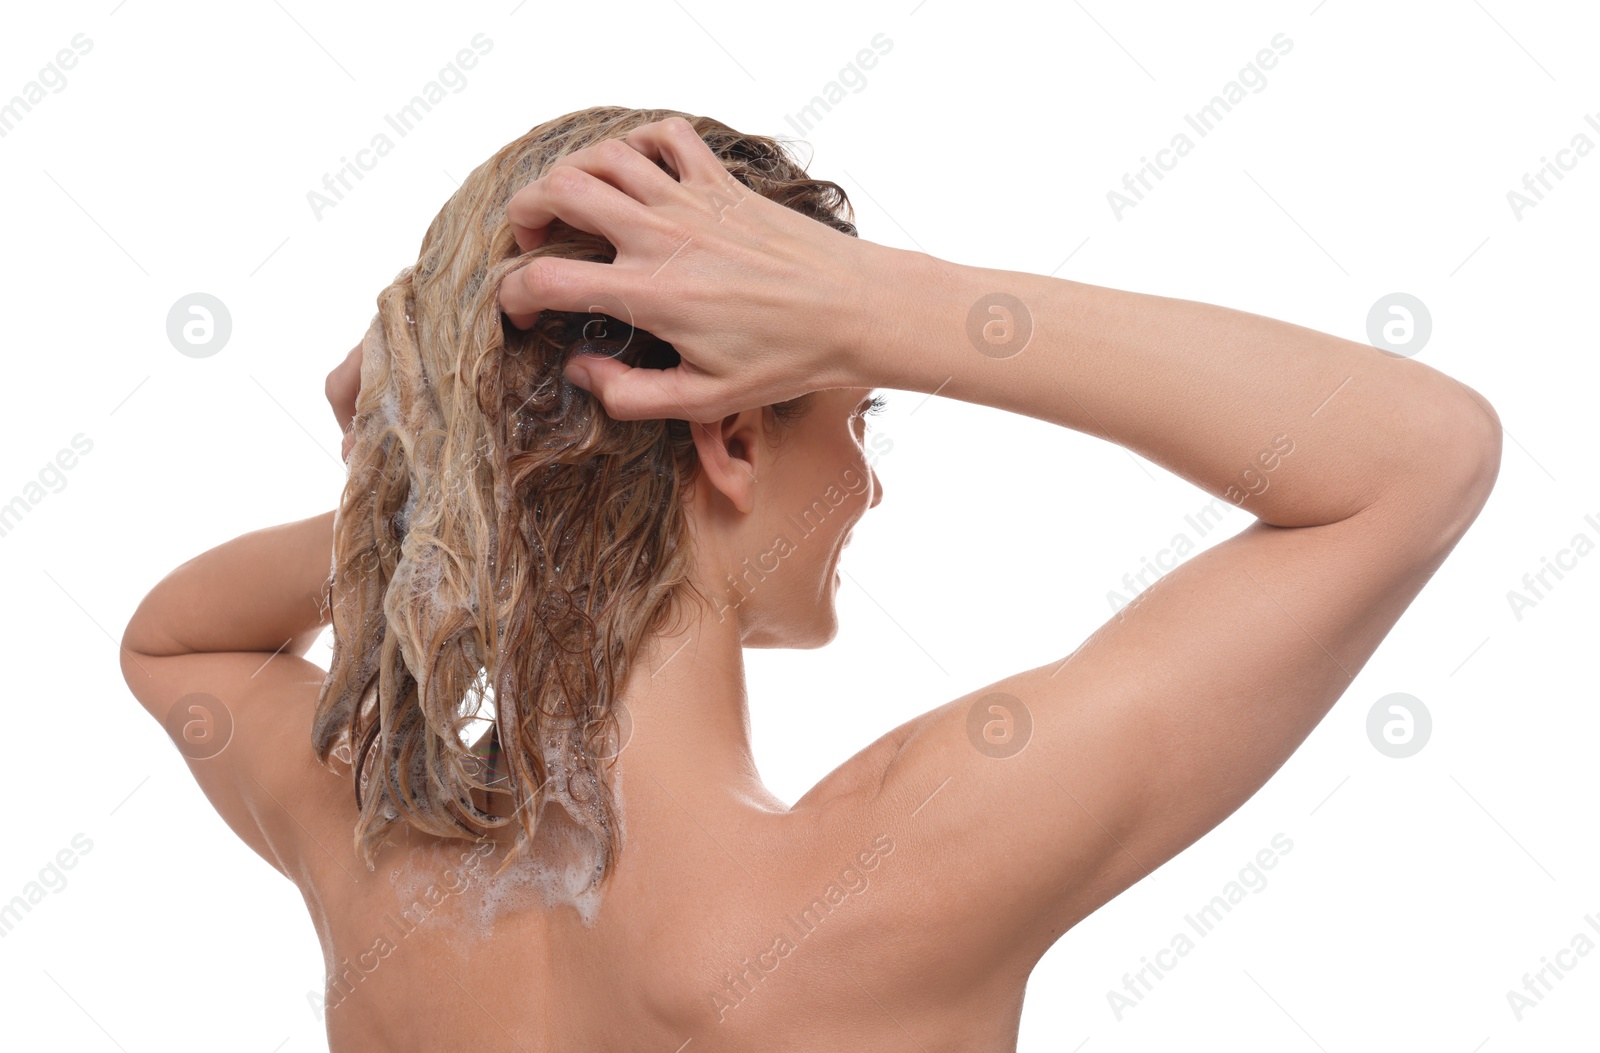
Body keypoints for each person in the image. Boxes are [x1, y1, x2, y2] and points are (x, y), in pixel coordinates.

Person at [120, 106, 1502, 1052]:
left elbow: (178, 648)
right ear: (732, 437)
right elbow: (1418, 457)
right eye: (857, 412)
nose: (868, 480)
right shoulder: (884, 874)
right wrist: (870, 304)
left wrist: (464, 484)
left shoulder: (382, 871)